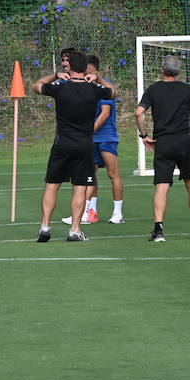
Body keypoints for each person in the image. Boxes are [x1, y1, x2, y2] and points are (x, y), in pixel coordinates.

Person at [34, 49, 115, 242]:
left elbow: (36, 86)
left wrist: (55, 75)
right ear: (85, 68)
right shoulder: (94, 89)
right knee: (79, 187)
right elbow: (113, 92)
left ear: (69, 67)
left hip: (62, 144)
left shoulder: (60, 87)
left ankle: (45, 227)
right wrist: (98, 78)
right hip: (84, 145)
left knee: (52, 185)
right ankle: (74, 229)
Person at [135, 55, 190, 243]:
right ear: (179, 71)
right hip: (184, 141)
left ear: (162, 69)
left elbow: (138, 113)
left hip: (163, 143)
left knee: (162, 186)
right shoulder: (187, 89)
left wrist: (144, 136)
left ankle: (158, 230)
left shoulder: (153, 89)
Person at [82, 55, 126, 224]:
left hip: (106, 137)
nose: (85, 73)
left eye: (88, 70)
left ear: (94, 70)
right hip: (90, 138)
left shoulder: (105, 86)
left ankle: (117, 213)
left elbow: (105, 113)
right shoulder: (85, 86)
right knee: (89, 175)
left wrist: (88, 131)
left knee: (112, 174)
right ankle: (89, 212)